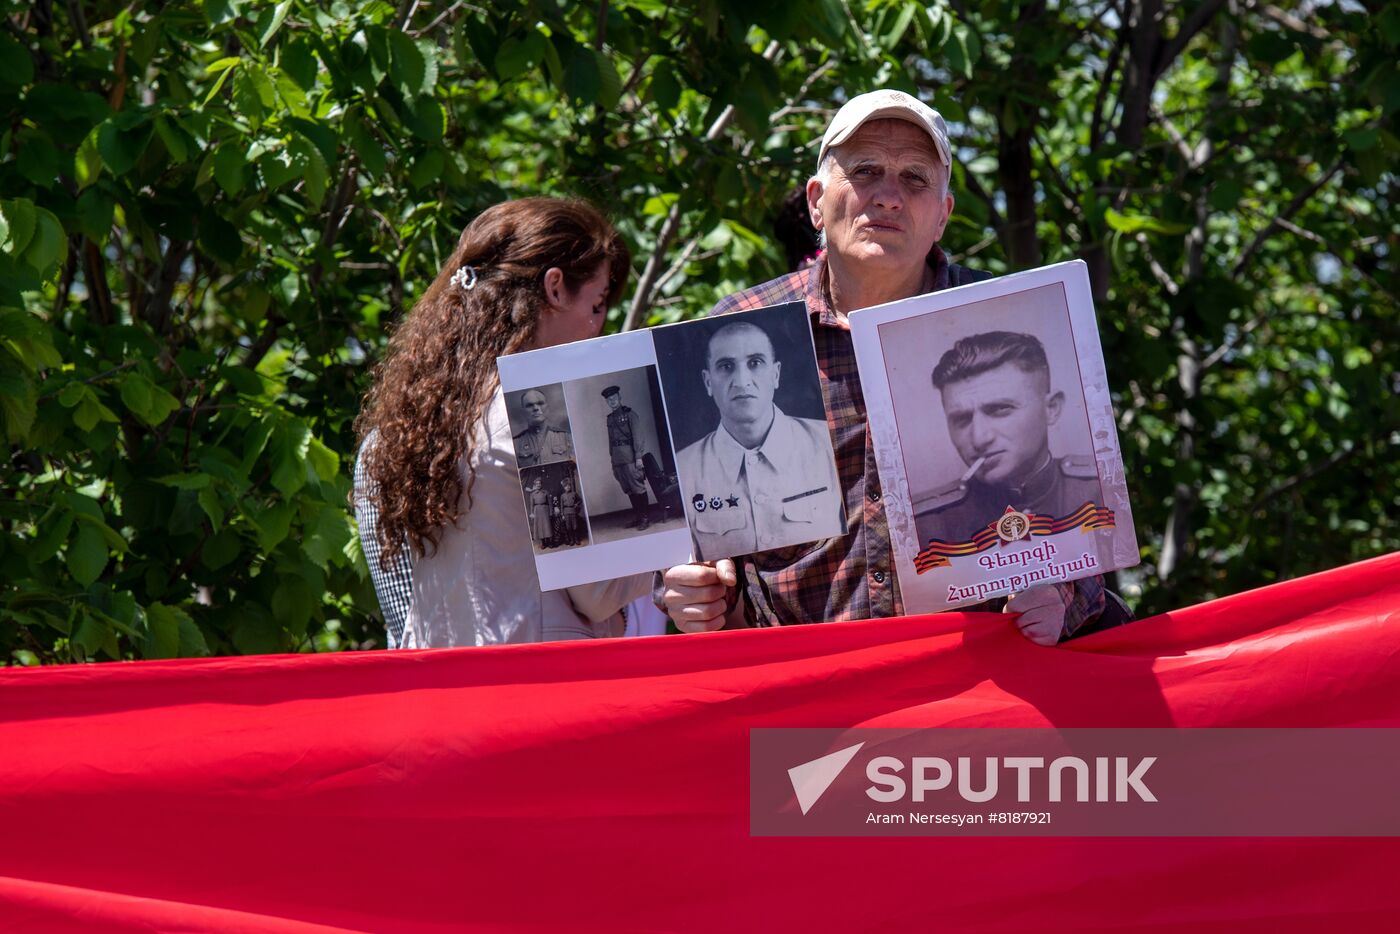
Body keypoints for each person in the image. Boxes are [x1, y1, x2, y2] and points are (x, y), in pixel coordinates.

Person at [659, 88, 1127, 646]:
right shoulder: (740, 328)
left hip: (979, 689)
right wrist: (697, 587)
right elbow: (710, 545)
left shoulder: (1016, 323)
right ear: (816, 201)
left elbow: (1084, 546)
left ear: (944, 215)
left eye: (915, 179)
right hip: (809, 698)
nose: (888, 197)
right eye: (865, 171)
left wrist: (1060, 596)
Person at [353, 198, 651, 648]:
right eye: (597, 303)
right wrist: (673, 543)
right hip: (535, 682)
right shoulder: (539, 413)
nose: (599, 328)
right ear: (555, 288)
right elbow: (596, 592)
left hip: (442, 685)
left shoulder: (420, 417)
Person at [675, 320, 843, 559]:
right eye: (726, 366)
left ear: (775, 374)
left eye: (755, 363)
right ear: (708, 381)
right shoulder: (684, 469)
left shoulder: (827, 442)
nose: (742, 380)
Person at [915, 331, 1102, 545]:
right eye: (962, 419)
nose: (979, 438)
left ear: (1051, 409)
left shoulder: (1100, 489)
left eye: (1000, 409)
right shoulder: (927, 524)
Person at [602, 385, 652, 531]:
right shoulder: (610, 419)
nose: (612, 401)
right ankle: (638, 517)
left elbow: (638, 436)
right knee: (629, 489)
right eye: (609, 399)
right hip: (618, 459)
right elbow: (610, 441)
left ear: (619, 398)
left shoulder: (630, 414)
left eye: (614, 398)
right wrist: (612, 460)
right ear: (607, 402)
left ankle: (645, 518)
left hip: (630, 457)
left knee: (638, 487)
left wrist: (638, 457)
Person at [513, 388, 574, 467]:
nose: (536, 408)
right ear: (523, 412)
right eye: (529, 405)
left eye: (540, 403)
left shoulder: (567, 437)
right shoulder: (515, 444)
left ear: (547, 408)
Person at [527, 476, 553, 548]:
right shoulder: (532, 494)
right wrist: (532, 513)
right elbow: (531, 504)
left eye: (539, 483)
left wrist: (551, 512)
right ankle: (543, 543)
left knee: (546, 526)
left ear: (541, 484)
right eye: (537, 484)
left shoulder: (546, 492)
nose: (538, 485)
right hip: (537, 510)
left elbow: (550, 503)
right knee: (540, 526)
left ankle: (549, 542)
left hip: (545, 510)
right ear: (535, 485)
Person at [559, 475, 582, 546]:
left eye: (569, 486)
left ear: (570, 486)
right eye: (566, 486)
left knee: (575, 526)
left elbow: (580, 500)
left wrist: (576, 504)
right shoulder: (562, 496)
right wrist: (562, 514)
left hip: (573, 511)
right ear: (564, 487)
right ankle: (572, 540)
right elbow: (561, 506)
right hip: (566, 512)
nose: (568, 487)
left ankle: (577, 539)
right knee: (568, 527)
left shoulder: (574, 493)